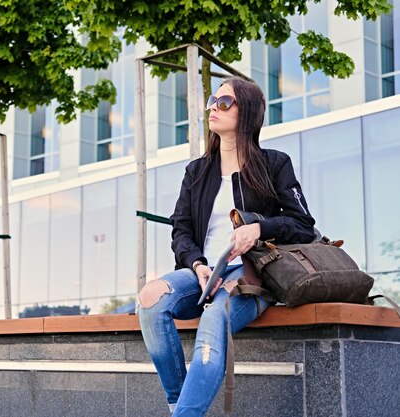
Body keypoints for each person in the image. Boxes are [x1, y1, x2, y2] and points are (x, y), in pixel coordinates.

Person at [137, 77, 316, 416]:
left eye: (224, 102)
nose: (213, 109)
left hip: (251, 276)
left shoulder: (274, 163)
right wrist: (197, 265)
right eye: (212, 101)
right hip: (202, 273)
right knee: (150, 299)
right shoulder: (197, 172)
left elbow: (303, 225)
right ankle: (179, 403)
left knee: (215, 317)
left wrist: (259, 227)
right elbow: (181, 230)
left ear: (247, 112)